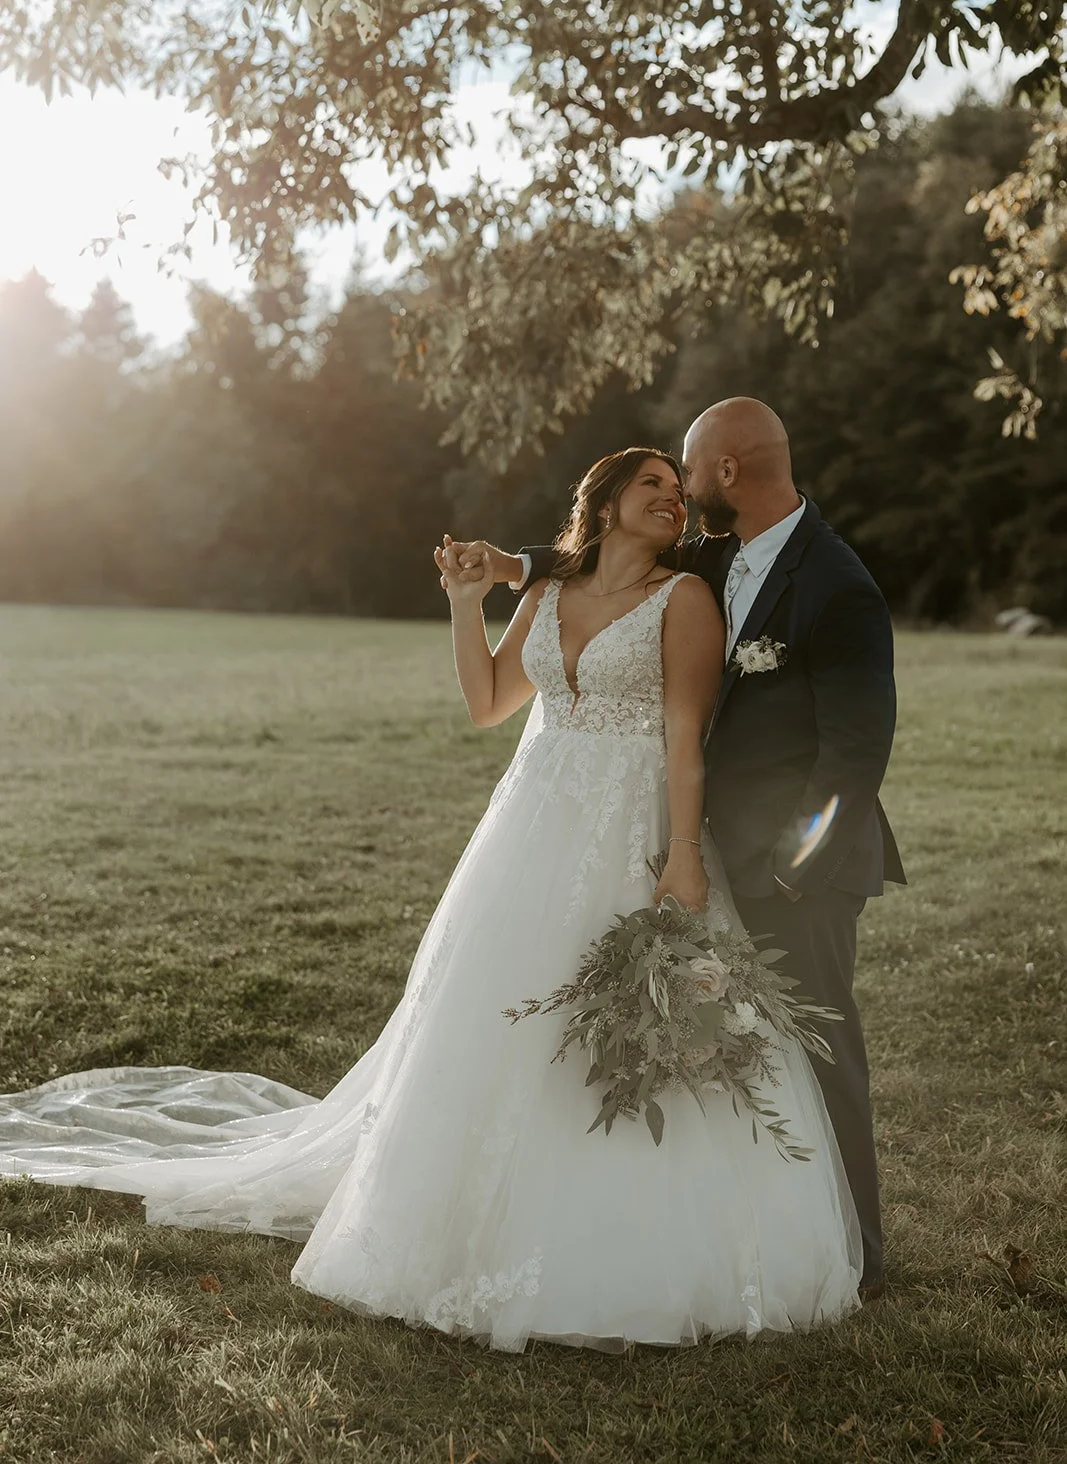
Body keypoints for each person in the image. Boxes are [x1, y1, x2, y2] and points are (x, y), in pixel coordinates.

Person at [0, 445, 862, 1352]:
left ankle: (621, 1238)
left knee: (618, 1009)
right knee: (491, 1010)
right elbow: (490, 701)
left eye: (677, 496)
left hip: (632, 828)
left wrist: (683, 854)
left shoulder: (684, 602)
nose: (672, 505)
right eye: (650, 486)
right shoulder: (543, 594)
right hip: (530, 824)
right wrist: (464, 606)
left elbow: (686, 740)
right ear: (603, 503)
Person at [447, 400, 905, 1299]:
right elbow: (598, 566)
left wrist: (790, 869)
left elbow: (857, 752)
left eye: (686, 473)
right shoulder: (718, 554)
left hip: (794, 865)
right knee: (720, 1041)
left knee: (814, 1047)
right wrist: (508, 569)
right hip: (689, 837)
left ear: (726, 472)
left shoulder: (835, 585)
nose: (682, 494)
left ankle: (858, 1248)